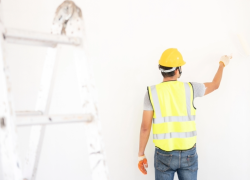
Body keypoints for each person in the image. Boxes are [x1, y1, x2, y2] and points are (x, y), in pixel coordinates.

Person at [138, 48, 231, 180]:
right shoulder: (191, 88)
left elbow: (145, 127)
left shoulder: (151, 93)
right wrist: (222, 64)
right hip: (189, 154)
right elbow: (215, 85)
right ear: (177, 70)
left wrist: (141, 154)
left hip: (163, 155)